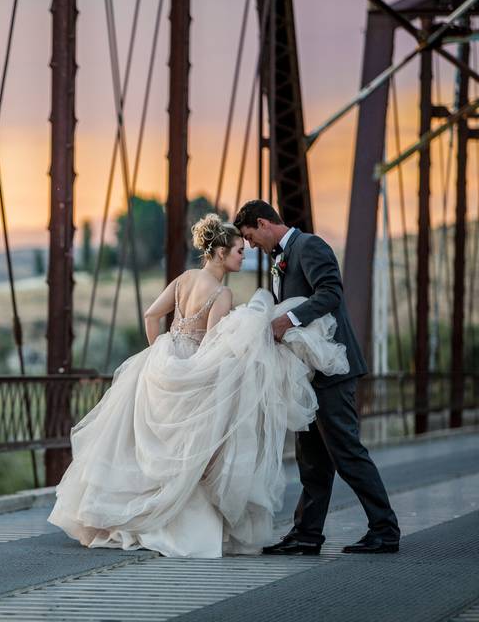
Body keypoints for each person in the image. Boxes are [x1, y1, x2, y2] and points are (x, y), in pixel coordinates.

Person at [48, 213, 349, 558]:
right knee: (193, 451)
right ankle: (174, 520)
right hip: (195, 370)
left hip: (163, 363)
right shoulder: (221, 295)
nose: (244, 255)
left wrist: (158, 351)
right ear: (221, 253)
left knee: (149, 445)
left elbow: (151, 315)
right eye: (238, 250)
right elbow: (215, 346)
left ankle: (125, 512)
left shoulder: (184, 279)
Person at [234, 200, 400, 555]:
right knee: (312, 459)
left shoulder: (309, 245)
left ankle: (385, 530)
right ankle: (307, 535)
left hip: (332, 367)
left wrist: (287, 321)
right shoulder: (283, 256)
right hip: (306, 372)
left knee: (346, 451)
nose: (250, 246)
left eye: (250, 237)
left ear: (263, 223)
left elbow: (330, 292)